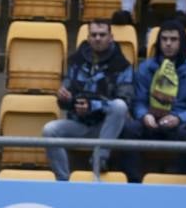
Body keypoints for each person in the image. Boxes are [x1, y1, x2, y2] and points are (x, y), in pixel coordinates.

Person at [42, 19, 135, 180]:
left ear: (111, 37)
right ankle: (63, 180)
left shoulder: (122, 65)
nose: (98, 38)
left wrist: (92, 106)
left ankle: (100, 158)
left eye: (102, 35)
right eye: (94, 35)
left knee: (119, 106)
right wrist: (66, 98)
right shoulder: (75, 61)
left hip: (106, 128)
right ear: (88, 37)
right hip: (79, 123)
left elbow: (126, 101)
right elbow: (66, 98)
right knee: (49, 130)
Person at [132, 19, 186, 178]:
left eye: (173, 39)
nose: (168, 43)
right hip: (151, 121)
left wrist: (178, 117)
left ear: (182, 43)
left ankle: (183, 181)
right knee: (129, 129)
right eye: (164, 39)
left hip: (179, 124)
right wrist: (144, 115)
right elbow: (138, 101)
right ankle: (133, 181)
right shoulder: (145, 68)